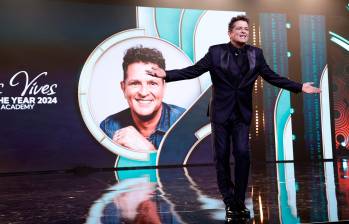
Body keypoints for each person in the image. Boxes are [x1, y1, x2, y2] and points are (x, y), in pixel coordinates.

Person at [147, 15, 321, 222]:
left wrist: (300, 87)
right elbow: (193, 71)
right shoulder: (216, 52)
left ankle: (239, 199)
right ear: (230, 32)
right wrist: (166, 74)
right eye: (239, 28)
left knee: (242, 155)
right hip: (221, 113)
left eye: (246, 28)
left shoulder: (256, 54)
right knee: (221, 156)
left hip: (242, 114)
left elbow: (272, 76)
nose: (243, 31)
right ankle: (229, 201)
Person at [100, 46, 185, 152]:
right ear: (123, 88)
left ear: (163, 87)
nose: (143, 92)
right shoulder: (108, 127)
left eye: (152, 83)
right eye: (135, 83)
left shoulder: (185, 122)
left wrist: (148, 149)